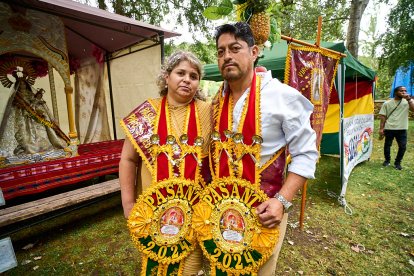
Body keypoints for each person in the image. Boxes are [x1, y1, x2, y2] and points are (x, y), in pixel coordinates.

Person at [212, 22, 318, 275]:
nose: (227, 56)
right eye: (220, 51)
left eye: (235, 48)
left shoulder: (283, 96)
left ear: (254, 51)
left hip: (264, 214)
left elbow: (306, 154)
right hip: (219, 212)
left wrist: (281, 201)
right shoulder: (215, 100)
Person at [119, 50, 211, 275]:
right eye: (180, 73)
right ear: (167, 76)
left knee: (189, 267)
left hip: (193, 213)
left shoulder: (208, 111)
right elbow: (128, 159)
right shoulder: (146, 113)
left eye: (193, 75)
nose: (187, 79)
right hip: (152, 212)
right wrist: (128, 204)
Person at [379, 86, 414, 170]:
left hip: (402, 128)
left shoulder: (409, 101)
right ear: (395, 92)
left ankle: (397, 163)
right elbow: (383, 116)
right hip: (389, 128)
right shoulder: (387, 103)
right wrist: (381, 128)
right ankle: (387, 160)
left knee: (403, 147)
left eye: (405, 91)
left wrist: (409, 100)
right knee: (387, 145)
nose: (404, 92)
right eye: (401, 91)